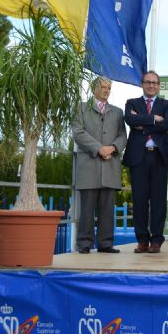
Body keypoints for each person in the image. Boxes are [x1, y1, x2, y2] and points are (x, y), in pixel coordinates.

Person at [72, 76, 127, 254]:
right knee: (86, 208)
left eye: (109, 87)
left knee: (107, 209)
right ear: (94, 88)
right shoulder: (81, 107)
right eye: (103, 87)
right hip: (88, 166)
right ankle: (85, 244)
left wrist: (112, 148)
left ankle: (106, 243)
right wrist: (99, 149)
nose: (106, 90)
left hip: (110, 166)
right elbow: (78, 133)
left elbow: (122, 136)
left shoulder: (118, 112)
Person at [123, 71, 168, 254]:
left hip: (159, 156)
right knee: (139, 200)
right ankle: (142, 240)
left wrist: (142, 123)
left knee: (159, 201)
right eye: (148, 82)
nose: (151, 85)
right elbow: (129, 119)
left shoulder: (166, 104)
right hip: (139, 157)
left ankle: (156, 240)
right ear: (142, 84)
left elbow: (167, 124)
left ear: (159, 85)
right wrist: (153, 119)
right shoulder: (132, 103)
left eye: (154, 83)